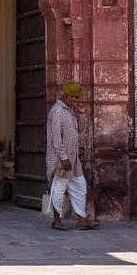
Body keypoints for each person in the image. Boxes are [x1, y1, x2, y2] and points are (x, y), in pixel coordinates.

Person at [46, 81, 97, 230]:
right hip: (62, 160)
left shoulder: (69, 111)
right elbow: (56, 138)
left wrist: (81, 114)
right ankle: (56, 221)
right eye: (74, 97)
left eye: (77, 97)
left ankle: (81, 220)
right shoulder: (57, 112)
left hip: (73, 158)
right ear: (66, 95)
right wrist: (64, 158)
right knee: (59, 187)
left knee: (79, 186)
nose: (76, 100)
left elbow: (80, 131)